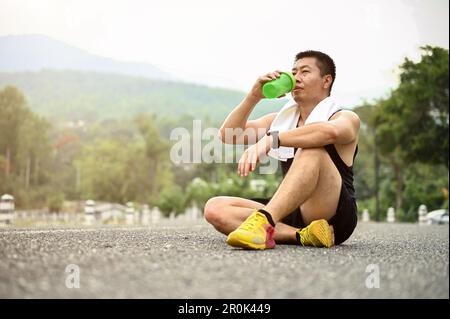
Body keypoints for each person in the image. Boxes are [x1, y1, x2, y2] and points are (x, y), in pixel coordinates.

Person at [204, 50, 360, 249]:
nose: (296, 78)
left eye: (304, 72)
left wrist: (272, 140)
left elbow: (330, 133)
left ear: (326, 80)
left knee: (312, 150)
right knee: (216, 208)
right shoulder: (280, 120)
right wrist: (254, 96)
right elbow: (229, 135)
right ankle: (302, 235)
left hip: (332, 214)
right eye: (293, 72)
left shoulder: (345, 118)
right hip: (293, 210)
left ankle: (264, 222)